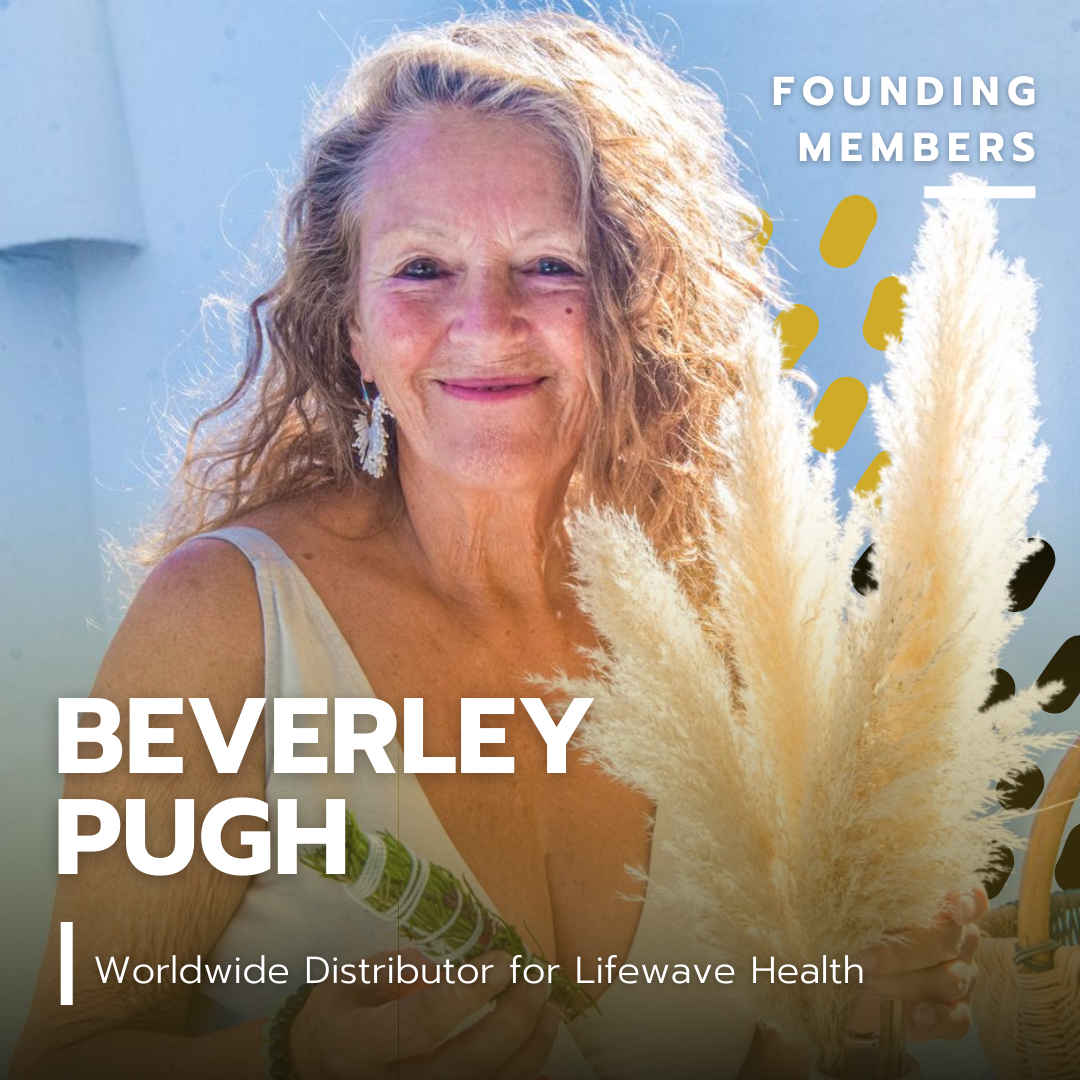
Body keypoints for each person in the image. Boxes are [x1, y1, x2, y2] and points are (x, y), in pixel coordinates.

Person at [11, 11, 984, 1079]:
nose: (486, 320)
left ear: (627, 307)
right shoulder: (228, 621)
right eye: (423, 267)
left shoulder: (736, 644)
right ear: (351, 327)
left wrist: (849, 1007)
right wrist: (296, 1057)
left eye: (547, 264)